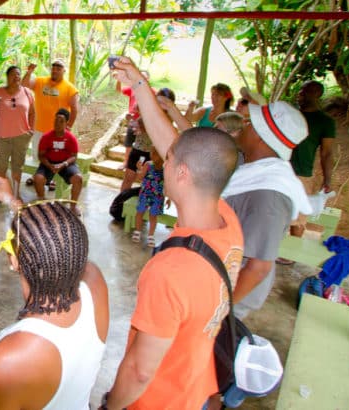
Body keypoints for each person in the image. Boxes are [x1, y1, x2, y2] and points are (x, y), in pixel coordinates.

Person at [100, 57, 244, 410]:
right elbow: (178, 148)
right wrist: (138, 85)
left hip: (156, 401)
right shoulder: (227, 221)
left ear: (180, 173)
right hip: (195, 388)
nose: (164, 158)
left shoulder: (171, 269)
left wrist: (109, 406)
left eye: (169, 159)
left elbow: (139, 371)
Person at [0, 175, 109, 409]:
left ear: (14, 260)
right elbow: (56, 243)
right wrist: (12, 202)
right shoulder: (95, 283)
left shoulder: (7, 361)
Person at [220, 100, 312, 319]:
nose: (244, 126)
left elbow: (258, 266)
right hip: (217, 277)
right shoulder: (249, 165)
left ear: (261, 135)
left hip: (230, 293)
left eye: (250, 123)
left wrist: (220, 310)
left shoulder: (269, 195)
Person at [22, 59, 79, 188]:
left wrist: (69, 126)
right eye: (53, 67)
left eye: (58, 68)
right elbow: (24, 84)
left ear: (64, 70)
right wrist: (29, 72)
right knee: (38, 155)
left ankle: (51, 179)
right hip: (39, 128)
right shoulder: (40, 81)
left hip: (57, 132)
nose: (55, 70)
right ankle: (37, 176)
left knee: (55, 156)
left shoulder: (70, 88)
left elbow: (75, 109)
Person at [289, 80, 335, 239]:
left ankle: (291, 254)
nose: (299, 94)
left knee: (298, 217)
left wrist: (327, 179)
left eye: (304, 91)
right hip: (279, 168)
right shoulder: (290, 113)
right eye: (300, 90)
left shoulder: (325, 121)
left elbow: (327, 153)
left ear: (317, 94)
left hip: (302, 173)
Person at [0, 66, 35, 204]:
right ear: (7, 77)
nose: (16, 77)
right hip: (2, 137)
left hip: (21, 137)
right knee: (1, 167)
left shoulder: (27, 93)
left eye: (18, 74)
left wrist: (31, 130)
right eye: (13, 74)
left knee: (17, 167)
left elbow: (32, 113)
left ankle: (16, 194)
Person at [118, 88, 175, 193]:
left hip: (153, 155)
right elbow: (138, 126)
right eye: (158, 100)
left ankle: (142, 207)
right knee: (128, 179)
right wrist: (132, 120)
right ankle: (119, 204)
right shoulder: (148, 109)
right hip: (137, 149)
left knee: (147, 184)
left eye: (163, 101)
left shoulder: (169, 118)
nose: (160, 103)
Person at [32, 108, 82, 214]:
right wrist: (50, 165)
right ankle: (42, 201)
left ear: (66, 123)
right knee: (38, 178)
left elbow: (74, 156)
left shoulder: (71, 138)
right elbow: (41, 155)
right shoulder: (46, 137)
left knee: (78, 178)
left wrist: (63, 164)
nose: (57, 124)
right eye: (55, 121)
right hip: (49, 163)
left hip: (66, 164)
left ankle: (73, 206)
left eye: (61, 121)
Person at [131, 149, 167, 248]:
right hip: (152, 195)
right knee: (147, 214)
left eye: (152, 153)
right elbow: (140, 177)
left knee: (146, 214)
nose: (150, 154)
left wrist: (139, 168)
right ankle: (145, 233)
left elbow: (139, 177)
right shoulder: (155, 165)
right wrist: (140, 168)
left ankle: (143, 233)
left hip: (151, 194)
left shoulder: (157, 166)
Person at [116, 70, 151, 170]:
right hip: (132, 120)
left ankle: (142, 166)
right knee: (129, 143)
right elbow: (119, 90)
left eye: (144, 77)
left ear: (148, 79)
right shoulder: (134, 88)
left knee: (143, 146)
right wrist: (118, 79)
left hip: (144, 122)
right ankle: (126, 162)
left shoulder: (151, 91)